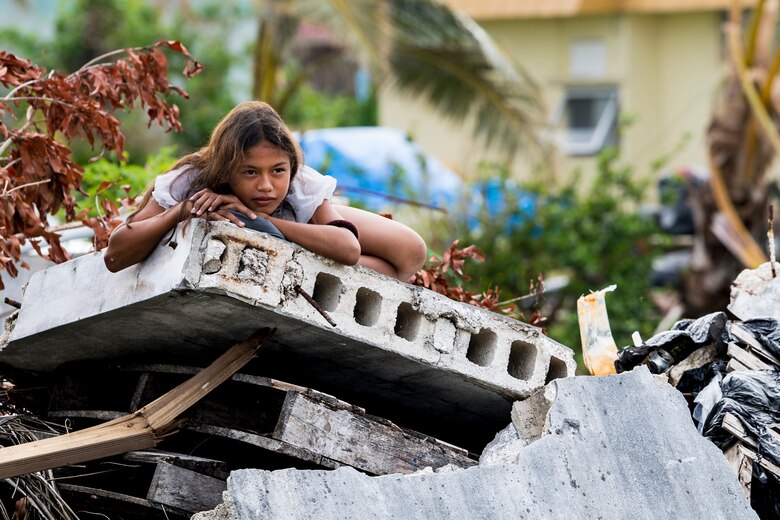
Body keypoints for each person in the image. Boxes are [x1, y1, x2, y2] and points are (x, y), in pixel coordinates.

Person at [104, 101, 427, 282]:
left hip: (300, 227)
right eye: (249, 172)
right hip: (297, 244)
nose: (266, 185)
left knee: (410, 250)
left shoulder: (298, 183)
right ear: (226, 170)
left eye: (277, 171)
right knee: (391, 273)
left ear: (290, 166)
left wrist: (261, 220)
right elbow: (115, 255)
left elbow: (348, 249)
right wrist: (181, 211)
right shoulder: (191, 180)